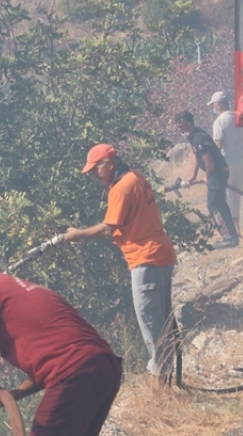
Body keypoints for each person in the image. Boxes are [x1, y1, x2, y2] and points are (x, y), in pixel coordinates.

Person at [0, 247, 122, 436]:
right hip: (104, 368)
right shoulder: (12, 286)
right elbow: (55, 358)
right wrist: (16, 393)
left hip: (74, 373)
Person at [64, 144, 178, 379]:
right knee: (164, 323)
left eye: (96, 170)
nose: (95, 176)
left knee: (152, 326)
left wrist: (78, 234)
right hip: (162, 254)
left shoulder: (121, 188)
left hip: (146, 260)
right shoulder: (136, 177)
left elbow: (109, 228)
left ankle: (161, 385)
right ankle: (168, 377)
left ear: (109, 163)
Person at [176, 110, 239, 248]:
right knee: (219, 204)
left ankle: (229, 239)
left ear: (190, 123)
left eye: (182, 126)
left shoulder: (199, 138)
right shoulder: (192, 137)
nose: (180, 129)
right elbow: (195, 156)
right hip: (216, 173)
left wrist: (207, 178)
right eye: (178, 127)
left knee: (214, 205)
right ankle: (232, 237)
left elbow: (209, 163)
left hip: (218, 173)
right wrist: (193, 176)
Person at [209, 91, 243, 233]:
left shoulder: (219, 122)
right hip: (240, 163)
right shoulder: (238, 117)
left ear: (219, 105)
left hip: (227, 164)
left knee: (227, 198)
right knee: (236, 197)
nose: (213, 107)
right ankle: (237, 227)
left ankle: (232, 230)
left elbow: (218, 143)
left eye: (213, 104)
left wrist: (213, 163)